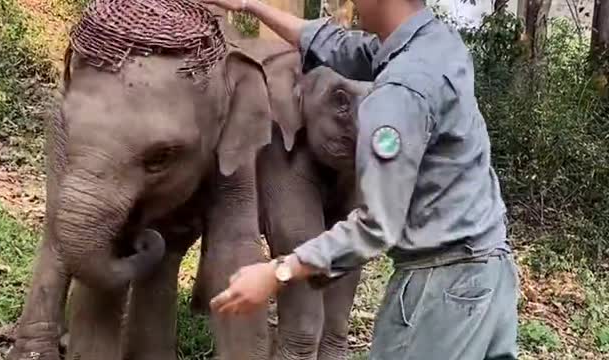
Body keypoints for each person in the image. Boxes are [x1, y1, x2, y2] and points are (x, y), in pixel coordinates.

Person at [204, 0, 520, 358]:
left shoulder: (398, 94)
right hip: (491, 271)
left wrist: (277, 272)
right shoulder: (437, 42)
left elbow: (375, 227)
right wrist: (251, 6)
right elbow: (338, 46)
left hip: (441, 290)